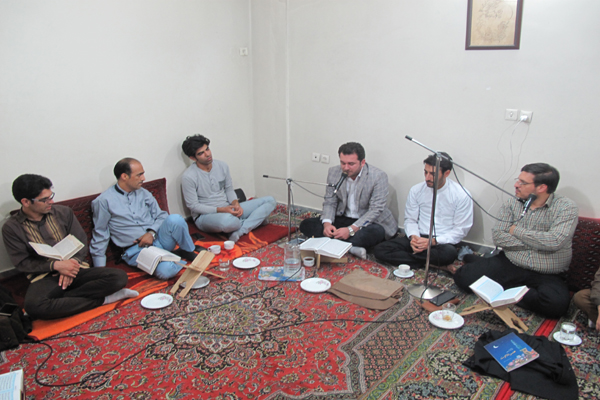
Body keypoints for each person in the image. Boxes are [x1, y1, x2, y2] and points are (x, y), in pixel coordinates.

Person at [2, 174, 137, 320]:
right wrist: (56, 266)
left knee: (118, 277)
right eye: (44, 200)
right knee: (33, 306)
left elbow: (80, 242)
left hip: (76, 268)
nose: (51, 201)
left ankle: (62, 301)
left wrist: (70, 266)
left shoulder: (63, 212)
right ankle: (103, 299)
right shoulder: (12, 227)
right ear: (26, 202)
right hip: (45, 277)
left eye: (51, 196)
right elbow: (22, 262)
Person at [453, 163, 578, 319]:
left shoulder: (566, 208)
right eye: (517, 180)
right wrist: (538, 243)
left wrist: (515, 231)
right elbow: (498, 236)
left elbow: (554, 241)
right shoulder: (512, 203)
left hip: (547, 272)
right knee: (463, 277)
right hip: (511, 263)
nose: (516, 185)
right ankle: (514, 288)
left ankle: (503, 288)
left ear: (542, 187)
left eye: (523, 182)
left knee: (556, 305)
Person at [91, 158, 197, 280]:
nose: (143, 178)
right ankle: (171, 259)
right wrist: (100, 271)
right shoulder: (103, 201)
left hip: (159, 239)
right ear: (124, 176)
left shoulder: (143, 192)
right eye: (139, 175)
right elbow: (100, 234)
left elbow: (161, 215)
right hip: (137, 250)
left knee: (176, 219)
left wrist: (151, 233)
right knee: (166, 271)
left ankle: (188, 251)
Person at [373, 153, 473, 268]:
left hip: (441, 242)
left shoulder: (461, 195)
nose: (427, 178)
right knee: (380, 250)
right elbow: (410, 220)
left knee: (447, 254)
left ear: (446, 173)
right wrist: (414, 238)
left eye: (433, 174)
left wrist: (433, 242)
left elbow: (460, 230)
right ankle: (435, 265)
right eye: (425, 172)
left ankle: (420, 260)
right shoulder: (416, 190)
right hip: (419, 236)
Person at [299, 142, 398, 259]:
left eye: (351, 164)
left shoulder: (378, 176)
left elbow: (375, 210)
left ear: (362, 162)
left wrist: (350, 230)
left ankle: (335, 243)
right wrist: (327, 224)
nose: (346, 168)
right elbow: (330, 201)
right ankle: (351, 247)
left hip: (368, 221)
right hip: (344, 217)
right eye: (343, 163)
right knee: (306, 225)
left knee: (370, 234)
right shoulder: (334, 172)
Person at [181, 134, 276, 242]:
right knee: (229, 222)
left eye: (207, 149)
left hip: (229, 208)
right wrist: (222, 210)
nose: (207, 154)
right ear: (193, 158)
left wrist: (236, 204)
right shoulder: (188, 176)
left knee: (270, 200)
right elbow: (193, 206)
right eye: (201, 153)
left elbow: (229, 189)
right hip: (206, 216)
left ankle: (240, 230)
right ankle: (254, 221)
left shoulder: (222, 166)